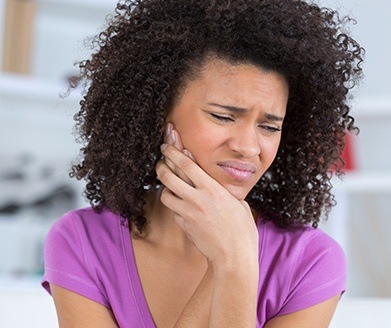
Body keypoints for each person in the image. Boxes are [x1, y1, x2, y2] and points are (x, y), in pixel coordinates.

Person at [41, 0, 364, 327]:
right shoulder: (83, 243)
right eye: (223, 116)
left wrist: (234, 265)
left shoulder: (309, 262)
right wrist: (229, 260)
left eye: (269, 127)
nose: (248, 147)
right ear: (159, 114)